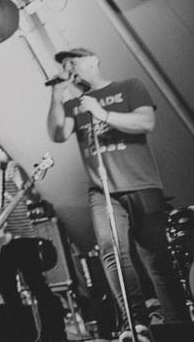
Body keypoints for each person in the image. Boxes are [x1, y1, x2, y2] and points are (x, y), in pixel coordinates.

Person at [46, 47, 190, 340]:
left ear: (92, 60)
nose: (68, 67)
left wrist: (102, 113)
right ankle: (135, 323)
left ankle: (177, 326)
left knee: (157, 258)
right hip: (103, 190)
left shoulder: (129, 87)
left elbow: (146, 122)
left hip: (142, 184)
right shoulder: (75, 104)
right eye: (64, 64)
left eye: (72, 60)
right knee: (111, 250)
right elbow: (58, 133)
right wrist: (56, 94)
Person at [0, 136, 66, 342]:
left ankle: (55, 335)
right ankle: (24, 337)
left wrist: (27, 190)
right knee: (9, 297)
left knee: (38, 287)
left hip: (22, 237)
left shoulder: (11, 168)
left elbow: (33, 197)